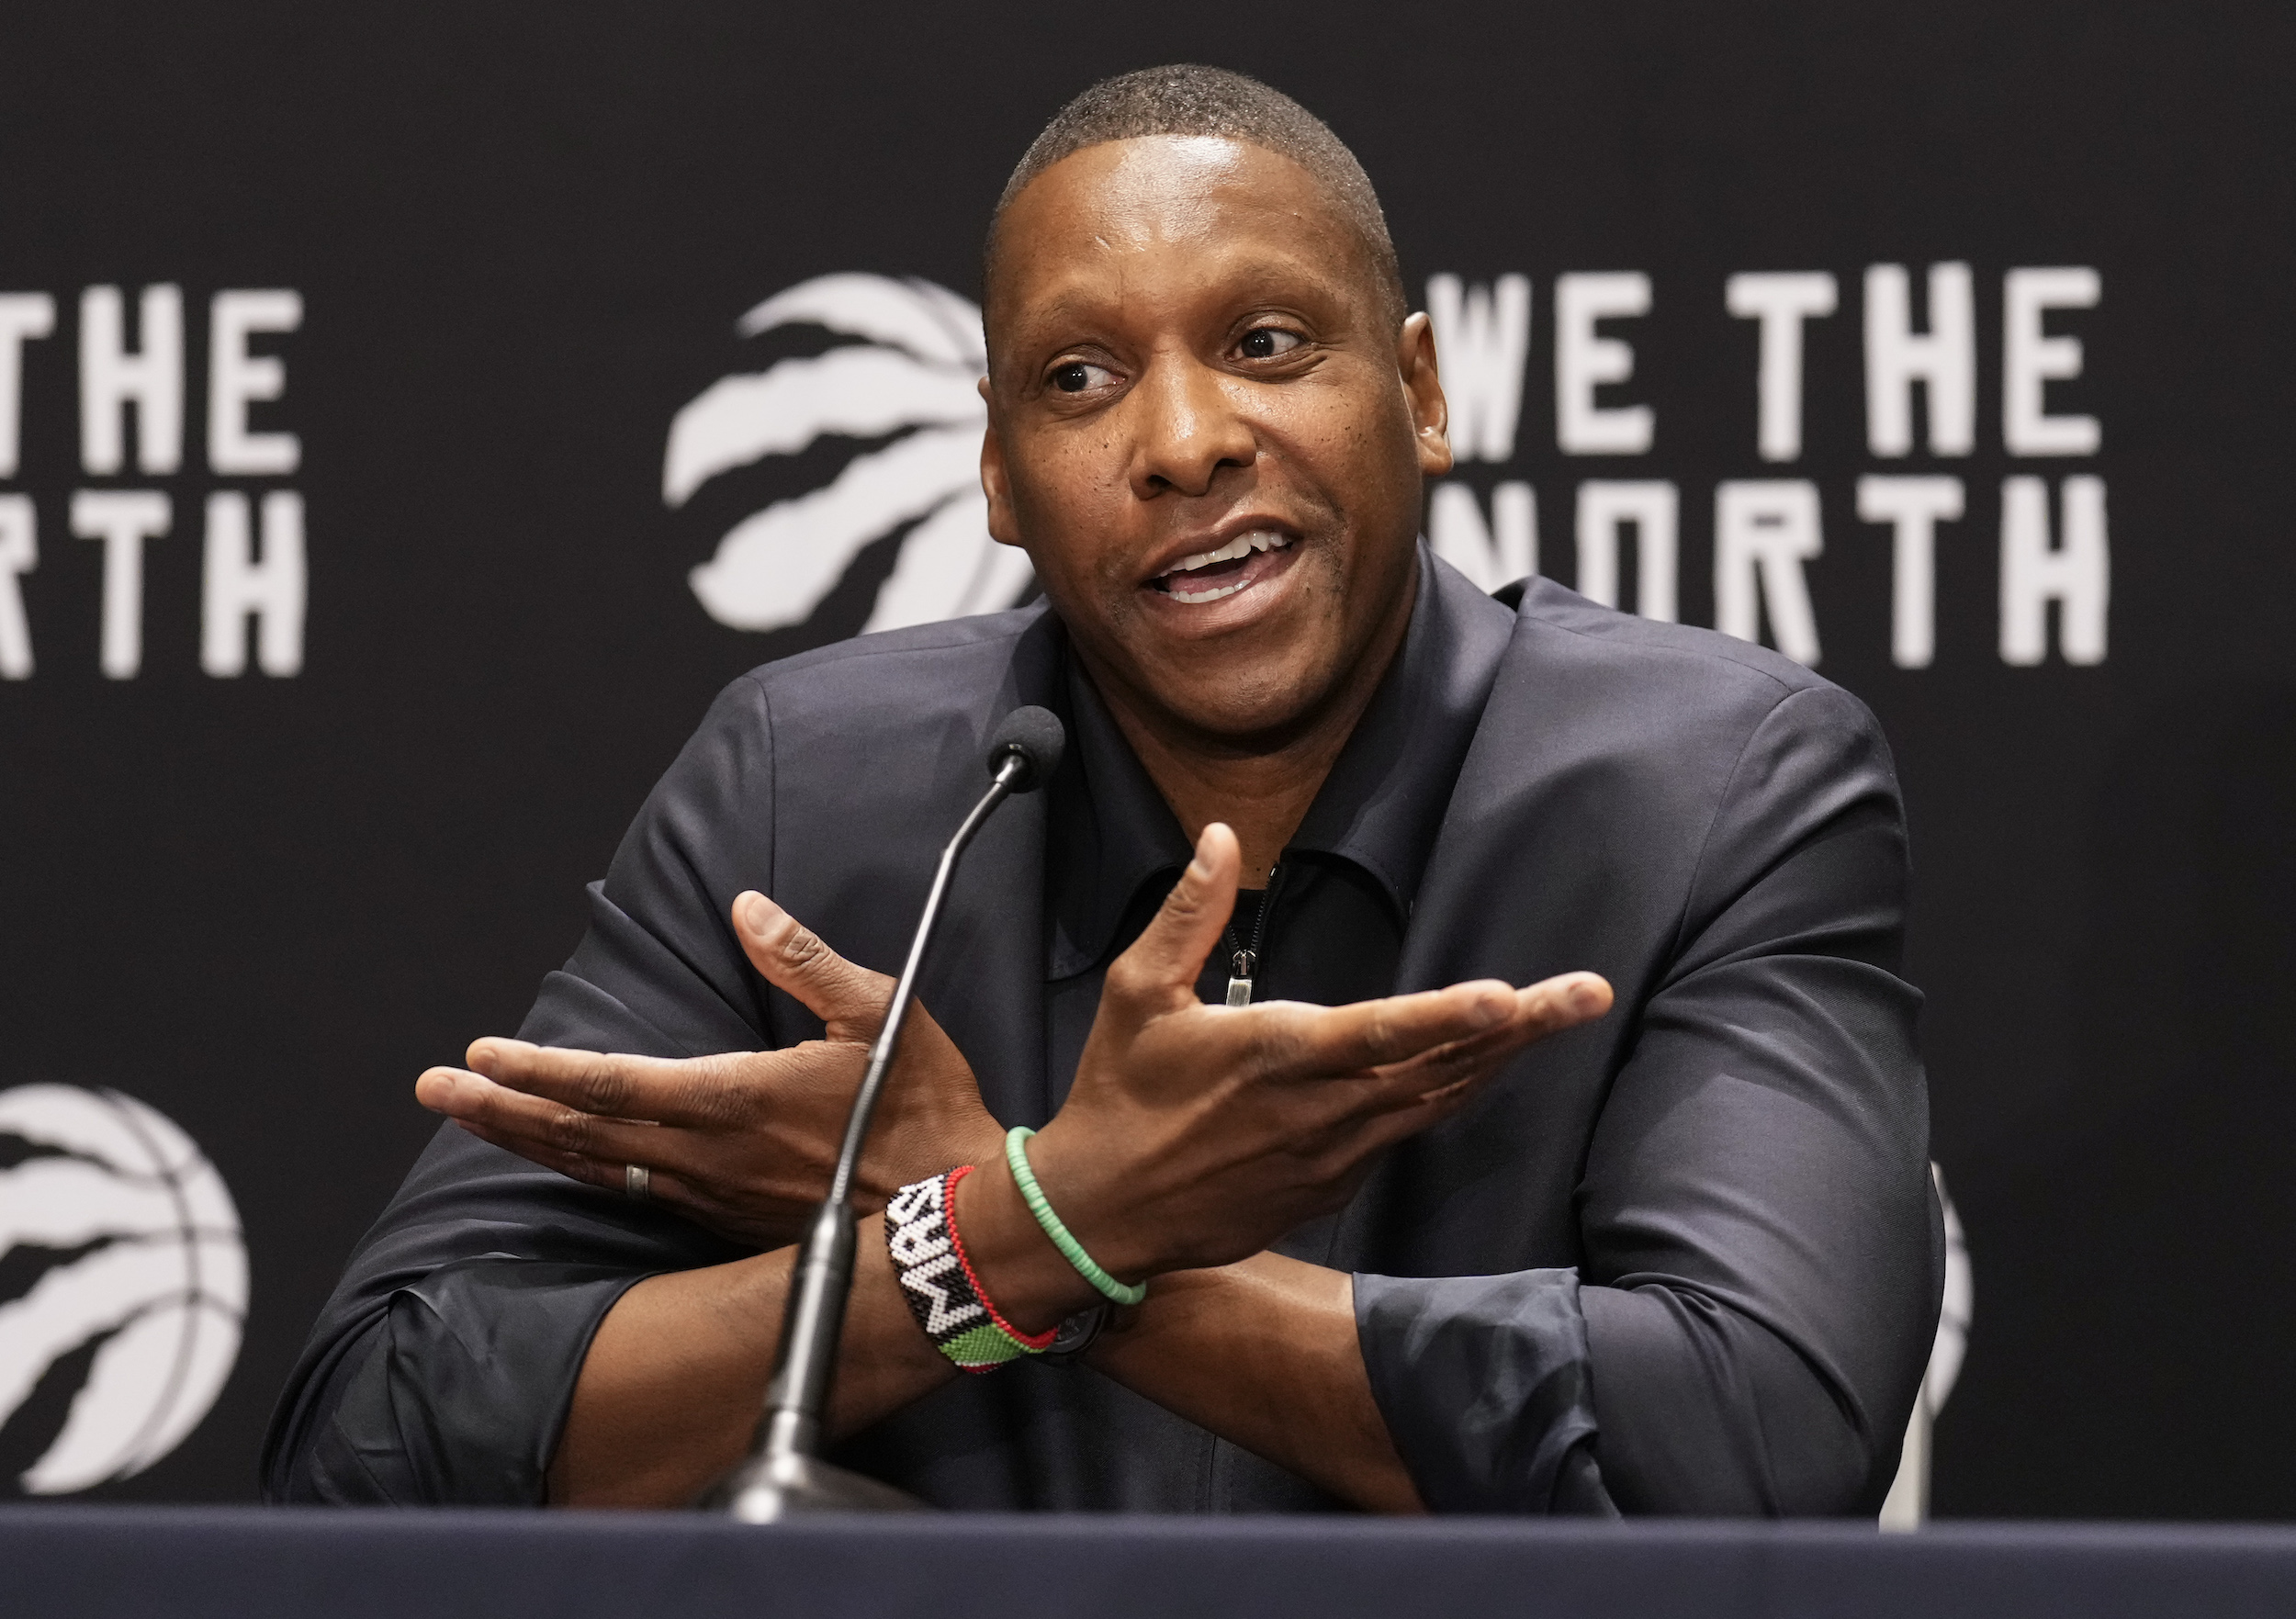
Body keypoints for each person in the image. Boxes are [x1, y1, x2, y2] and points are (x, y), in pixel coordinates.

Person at [264, 64, 1941, 1516]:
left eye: (1267, 342)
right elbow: (372, 1443)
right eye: (1080, 379)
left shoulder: (1707, 784)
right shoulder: (809, 793)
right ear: (997, 473)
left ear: (1421, 394)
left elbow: (1756, 1443)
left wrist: (1036, 1231)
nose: (1188, 439)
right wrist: (1014, 1234)